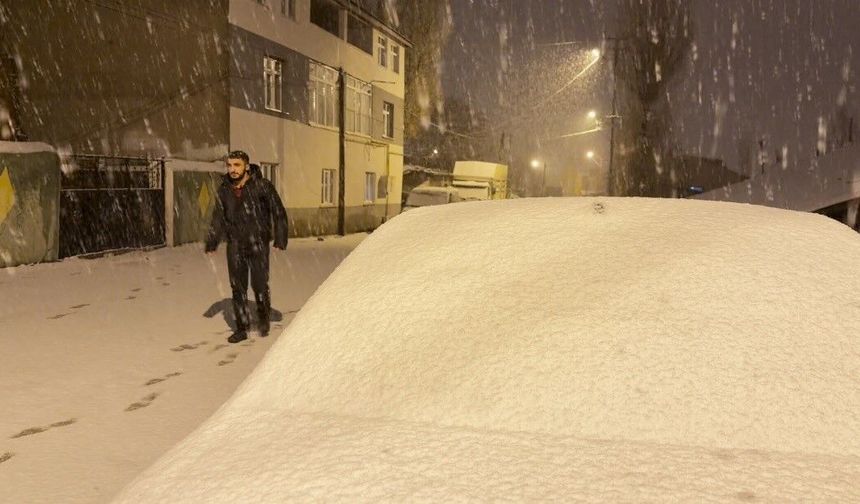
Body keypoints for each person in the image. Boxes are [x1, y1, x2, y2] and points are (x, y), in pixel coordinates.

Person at [206, 151, 288, 343]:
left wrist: (280, 238)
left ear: (246, 167)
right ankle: (241, 329)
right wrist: (212, 241)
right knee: (238, 287)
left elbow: (279, 212)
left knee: (259, 285)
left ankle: (263, 318)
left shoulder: (262, 186)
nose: (232, 169)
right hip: (235, 245)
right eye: (229, 165)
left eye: (237, 165)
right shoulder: (224, 189)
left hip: (258, 244)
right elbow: (218, 217)